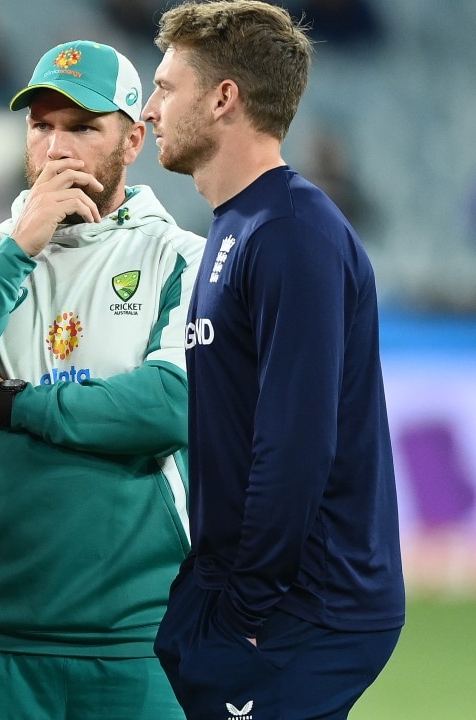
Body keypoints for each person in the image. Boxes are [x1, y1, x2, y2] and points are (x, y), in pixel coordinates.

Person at [0, 39, 205, 720]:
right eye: (42, 125)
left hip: (137, 642)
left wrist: (5, 401)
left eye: (84, 127)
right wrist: (18, 249)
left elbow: (169, 407)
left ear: (133, 139)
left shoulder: (184, 260)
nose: (59, 148)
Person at [141, 2, 405, 718]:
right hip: (250, 597)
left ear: (224, 98)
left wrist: (244, 611)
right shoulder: (241, 225)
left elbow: (295, 442)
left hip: (299, 608)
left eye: (167, 86)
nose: (149, 107)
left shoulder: (291, 232)